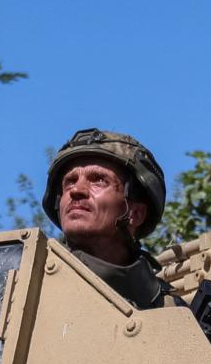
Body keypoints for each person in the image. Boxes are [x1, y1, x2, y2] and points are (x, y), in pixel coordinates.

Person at [41, 128, 177, 310]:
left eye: (98, 180)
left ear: (135, 214)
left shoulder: (170, 313)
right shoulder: (19, 286)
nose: (76, 190)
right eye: (70, 181)